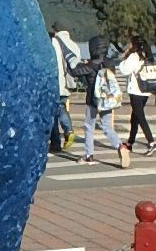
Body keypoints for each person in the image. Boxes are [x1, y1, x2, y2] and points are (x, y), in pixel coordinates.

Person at [70, 35, 130, 168]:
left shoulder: (90, 65)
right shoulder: (110, 63)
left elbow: (74, 71)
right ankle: (120, 146)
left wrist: (77, 61)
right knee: (107, 127)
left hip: (93, 100)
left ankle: (89, 155)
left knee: (89, 126)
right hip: (107, 100)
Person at [118, 36, 156, 156]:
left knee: (140, 117)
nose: (129, 46)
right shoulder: (147, 55)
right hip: (146, 91)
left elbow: (124, 70)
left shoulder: (134, 56)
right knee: (134, 117)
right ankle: (130, 143)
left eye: (130, 44)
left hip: (136, 91)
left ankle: (151, 143)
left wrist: (125, 56)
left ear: (133, 45)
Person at [48, 23, 78, 152]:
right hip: (68, 83)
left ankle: (67, 131)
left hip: (57, 82)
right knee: (58, 109)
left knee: (57, 109)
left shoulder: (55, 42)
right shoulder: (73, 44)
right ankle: (55, 143)